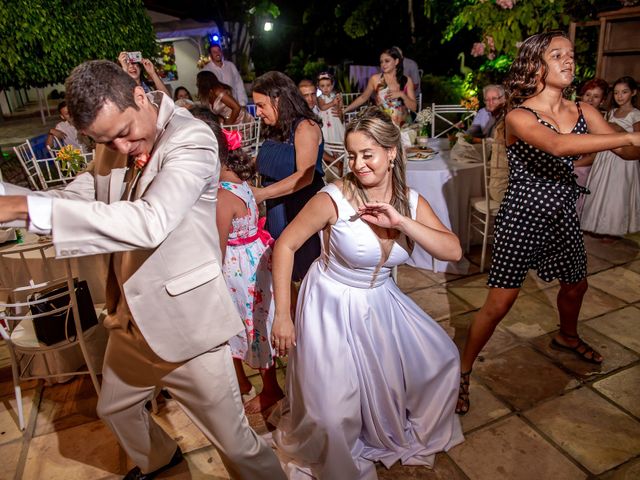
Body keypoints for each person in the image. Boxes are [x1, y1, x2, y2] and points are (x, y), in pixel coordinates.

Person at [0, 60, 286, 480]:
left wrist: (27, 210)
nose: (118, 147)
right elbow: (88, 189)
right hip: (131, 318)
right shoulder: (113, 136)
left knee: (236, 445)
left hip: (188, 328)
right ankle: (161, 461)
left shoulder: (192, 139)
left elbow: (151, 220)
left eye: (122, 133)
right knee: (114, 407)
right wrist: (13, 198)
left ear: (139, 95)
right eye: (104, 141)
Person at [268, 107, 464, 479]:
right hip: (329, 302)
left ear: (392, 153)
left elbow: (452, 251)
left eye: (367, 154)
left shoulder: (411, 201)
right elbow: (285, 246)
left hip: (380, 301)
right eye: (352, 154)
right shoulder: (333, 198)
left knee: (442, 361)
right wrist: (282, 314)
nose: (357, 164)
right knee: (329, 415)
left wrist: (401, 220)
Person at [456, 32, 640, 416]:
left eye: (571, 54)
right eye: (557, 54)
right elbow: (558, 145)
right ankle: (463, 368)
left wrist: (631, 139)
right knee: (501, 301)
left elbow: (626, 151)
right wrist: (626, 137)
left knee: (577, 285)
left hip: (562, 213)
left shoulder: (585, 112)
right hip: (522, 215)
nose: (568, 60)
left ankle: (566, 336)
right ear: (535, 65)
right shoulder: (519, 115)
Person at [211, 121, 285, 414]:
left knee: (245, 324)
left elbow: (216, 247)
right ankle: (242, 382)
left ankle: (271, 390)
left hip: (237, 267)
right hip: (256, 259)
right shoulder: (241, 185)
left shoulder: (221, 197)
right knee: (254, 322)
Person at [252, 71, 325, 282]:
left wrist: (262, 194)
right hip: (278, 206)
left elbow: (305, 176)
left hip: (302, 207)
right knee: (282, 272)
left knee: (304, 272)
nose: (258, 112)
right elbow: (262, 161)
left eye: (261, 105)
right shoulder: (276, 129)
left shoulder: (305, 127)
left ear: (279, 100)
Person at [581, 76, 640, 239]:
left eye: (624, 92)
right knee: (599, 191)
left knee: (616, 195)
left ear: (633, 93)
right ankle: (594, 225)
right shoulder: (611, 113)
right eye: (616, 93)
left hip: (622, 161)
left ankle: (613, 231)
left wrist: (620, 130)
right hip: (605, 156)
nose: (619, 96)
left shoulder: (636, 114)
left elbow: (636, 139)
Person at [343, 47, 417, 127]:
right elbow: (363, 98)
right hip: (384, 125)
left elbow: (414, 108)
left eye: (387, 61)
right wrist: (344, 110)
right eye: (381, 62)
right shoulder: (375, 79)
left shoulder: (406, 80)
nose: (383, 64)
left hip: (404, 125)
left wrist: (402, 95)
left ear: (396, 61)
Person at [573, 78, 610, 215]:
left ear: (602, 100)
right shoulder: (572, 115)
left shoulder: (603, 123)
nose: (590, 99)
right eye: (587, 95)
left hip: (587, 169)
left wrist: (573, 164)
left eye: (596, 96)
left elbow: (595, 156)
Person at [317, 71, 345, 144]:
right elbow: (322, 107)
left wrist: (340, 101)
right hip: (326, 121)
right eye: (322, 86)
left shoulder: (334, 96)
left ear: (332, 86)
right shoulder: (320, 98)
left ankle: (337, 150)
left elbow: (340, 107)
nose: (326, 88)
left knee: (336, 134)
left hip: (334, 119)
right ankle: (331, 151)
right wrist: (332, 103)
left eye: (328, 85)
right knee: (328, 136)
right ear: (319, 87)